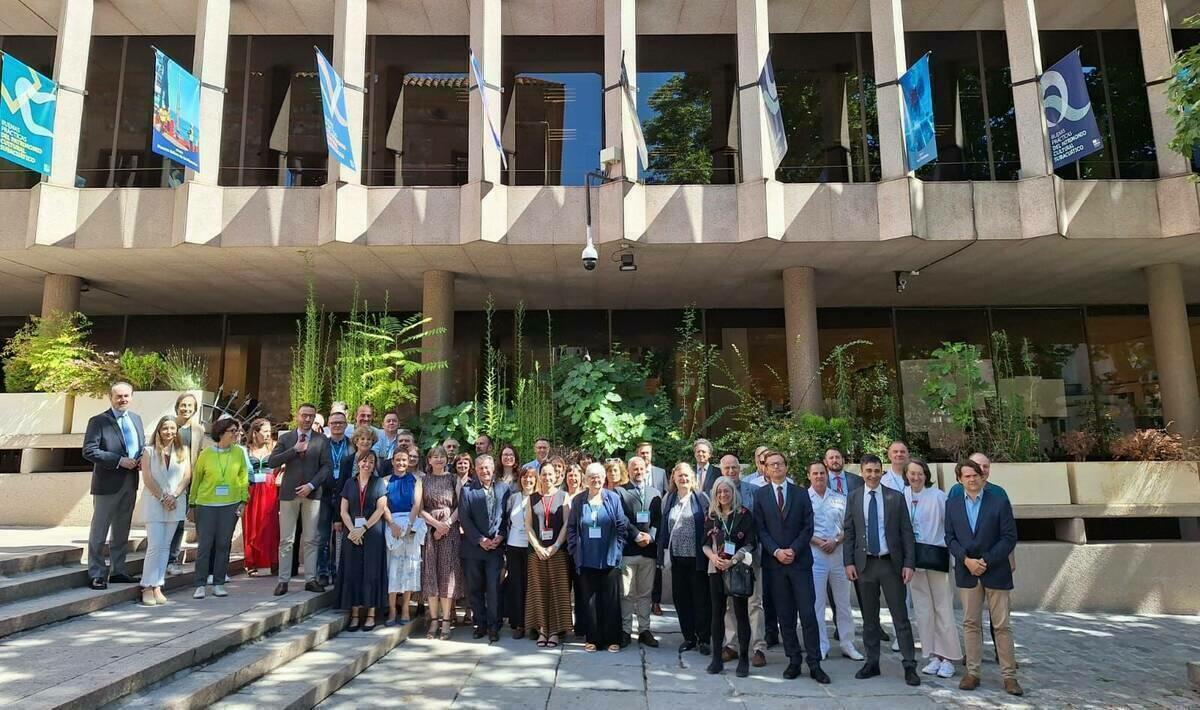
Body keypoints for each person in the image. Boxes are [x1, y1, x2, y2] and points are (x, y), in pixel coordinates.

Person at [945, 459, 1023, 696]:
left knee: (1001, 625)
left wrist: (986, 560)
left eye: (975, 475)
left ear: (982, 476)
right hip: (967, 571)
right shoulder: (952, 504)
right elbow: (950, 537)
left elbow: (1009, 537)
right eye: (966, 476)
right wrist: (966, 560)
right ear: (959, 480)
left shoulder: (998, 502)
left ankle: (1009, 676)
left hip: (995, 570)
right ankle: (973, 673)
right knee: (970, 623)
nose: (972, 479)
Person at [752, 451, 830, 684]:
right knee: (785, 616)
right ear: (765, 469)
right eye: (771, 464)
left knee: (807, 614)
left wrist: (793, 550)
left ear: (786, 467)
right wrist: (776, 551)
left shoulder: (801, 494)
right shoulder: (760, 495)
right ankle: (793, 659)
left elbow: (808, 527)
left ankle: (814, 662)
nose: (776, 467)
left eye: (780, 463)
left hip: (800, 563)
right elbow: (760, 529)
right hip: (774, 565)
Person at [843, 454, 920, 686]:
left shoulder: (895, 497)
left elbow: (906, 532)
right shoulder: (854, 497)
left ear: (882, 472)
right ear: (862, 472)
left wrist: (908, 563)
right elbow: (849, 532)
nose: (873, 475)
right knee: (869, 618)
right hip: (864, 565)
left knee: (900, 617)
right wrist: (848, 562)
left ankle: (909, 665)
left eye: (877, 471)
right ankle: (872, 662)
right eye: (868, 471)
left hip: (891, 564)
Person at [82, 382, 145, 589]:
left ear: (132, 397)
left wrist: (142, 458)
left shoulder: (136, 419)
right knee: (99, 532)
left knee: (121, 531)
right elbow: (89, 450)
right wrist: (118, 460)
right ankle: (97, 573)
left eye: (126, 396)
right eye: (118, 396)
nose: (123, 400)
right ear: (110, 397)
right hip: (108, 483)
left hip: (131, 481)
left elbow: (141, 446)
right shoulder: (98, 421)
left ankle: (119, 571)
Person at [268, 403, 333, 596]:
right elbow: (272, 461)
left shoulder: (322, 440)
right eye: (304, 415)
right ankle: (283, 580)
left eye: (311, 416)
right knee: (286, 539)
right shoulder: (287, 438)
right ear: (297, 416)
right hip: (289, 494)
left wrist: (311, 485)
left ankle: (310, 579)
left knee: (312, 539)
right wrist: (294, 450)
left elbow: (327, 467)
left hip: (312, 494)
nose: (307, 419)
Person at [567, 463, 632, 653]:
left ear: (604, 478)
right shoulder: (579, 500)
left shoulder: (612, 498)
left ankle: (613, 639)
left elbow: (621, 525)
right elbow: (572, 527)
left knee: (611, 599)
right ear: (586, 479)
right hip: (586, 558)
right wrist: (574, 548)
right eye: (591, 476)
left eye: (599, 476)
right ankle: (593, 639)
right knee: (590, 599)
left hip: (609, 557)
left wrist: (618, 549)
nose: (595, 480)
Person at [904, 459, 960, 678]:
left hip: (936, 557)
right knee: (923, 609)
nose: (916, 477)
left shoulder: (938, 497)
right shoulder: (902, 496)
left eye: (920, 473)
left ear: (926, 475)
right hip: (914, 559)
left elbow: (950, 526)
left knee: (942, 607)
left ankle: (949, 658)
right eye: (912, 473)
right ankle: (933, 654)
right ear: (906, 475)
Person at [806, 461, 862, 661]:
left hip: (838, 554)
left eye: (822, 473)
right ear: (809, 475)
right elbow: (801, 527)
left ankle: (848, 643)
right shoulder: (804, 499)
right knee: (817, 603)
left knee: (843, 603)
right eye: (816, 473)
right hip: (815, 555)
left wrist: (836, 541)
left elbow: (850, 526)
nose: (819, 476)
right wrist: (819, 542)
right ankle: (821, 645)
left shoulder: (840, 499)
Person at [716, 455, 768, 668]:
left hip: (750, 555)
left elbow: (761, 524)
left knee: (754, 602)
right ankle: (732, 645)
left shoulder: (753, 492)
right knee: (729, 603)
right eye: (726, 468)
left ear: (740, 469)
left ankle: (758, 648)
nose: (730, 471)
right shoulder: (717, 491)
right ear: (721, 470)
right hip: (725, 559)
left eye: (734, 467)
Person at [703, 476, 757, 677]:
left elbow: (751, 543)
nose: (723, 495)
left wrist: (733, 560)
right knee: (717, 613)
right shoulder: (711, 516)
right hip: (715, 569)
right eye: (719, 492)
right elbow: (704, 543)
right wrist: (714, 558)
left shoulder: (744, 515)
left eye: (727, 491)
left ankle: (743, 659)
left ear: (733, 493)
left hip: (737, 569)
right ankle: (716, 658)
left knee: (741, 614)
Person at [191, 417, 249, 599]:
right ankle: (200, 584)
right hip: (206, 504)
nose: (236, 434)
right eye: (232, 431)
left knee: (224, 544)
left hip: (230, 504)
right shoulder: (206, 454)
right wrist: (192, 503)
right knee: (205, 546)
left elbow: (243, 478)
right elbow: (197, 479)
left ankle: (218, 583)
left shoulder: (239, 452)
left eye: (237, 431)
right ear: (221, 433)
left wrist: (243, 501)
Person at [658, 462, 712, 655]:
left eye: (686, 476)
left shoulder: (701, 498)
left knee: (701, 599)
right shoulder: (668, 499)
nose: (683, 479)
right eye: (679, 476)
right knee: (681, 599)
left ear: (692, 478)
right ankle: (689, 637)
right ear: (674, 478)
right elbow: (664, 528)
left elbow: (711, 524)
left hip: (698, 559)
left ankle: (704, 638)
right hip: (677, 559)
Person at [138, 415, 191, 606]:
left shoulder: (182, 451)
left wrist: (174, 495)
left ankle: (158, 585)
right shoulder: (149, 451)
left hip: (175, 503)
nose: (169, 432)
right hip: (155, 502)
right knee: (155, 545)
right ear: (159, 430)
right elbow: (148, 478)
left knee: (166, 546)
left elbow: (186, 476)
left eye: (172, 429)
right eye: (165, 428)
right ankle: (147, 585)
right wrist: (163, 497)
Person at [459, 454, 510, 642]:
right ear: (476, 470)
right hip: (474, 548)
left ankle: (494, 625)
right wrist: (480, 539)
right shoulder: (467, 491)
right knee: (475, 588)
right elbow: (465, 518)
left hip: (496, 548)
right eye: (480, 468)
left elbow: (506, 516)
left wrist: (501, 536)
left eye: (487, 467)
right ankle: (480, 624)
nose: (484, 471)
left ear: (493, 468)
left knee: (494, 587)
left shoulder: (503, 489)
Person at [337, 451, 389, 631]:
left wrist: (363, 528)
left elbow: (381, 509)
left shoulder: (378, 483)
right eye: (364, 461)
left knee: (371, 572)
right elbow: (343, 510)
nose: (367, 464)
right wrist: (352, 530)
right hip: (351, 534)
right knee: (353, 571)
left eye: (371, 462)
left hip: (372, 532)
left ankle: (371, 615)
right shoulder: (349, 483)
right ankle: (355, 614)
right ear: (358, 463)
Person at [525, 461, 573, 647]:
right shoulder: (532, 498)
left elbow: (566, 524)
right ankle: (542, 629)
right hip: (536, 552)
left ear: (557, 476)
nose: (547, 478)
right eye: (543, 474)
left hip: (558, 551)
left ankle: (554, 630)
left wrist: (555, 546)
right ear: (539, 476)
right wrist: (537, 546)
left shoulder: (564, 496)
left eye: (550, 474)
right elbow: (528, 525)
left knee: (557, 590)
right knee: (538, 590)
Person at [615, 455, 661, 648]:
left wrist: (650, 536)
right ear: (629, 470)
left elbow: (659, 520)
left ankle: (644, 630)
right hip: (628, 549)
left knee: (645, 593)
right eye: (635, 468)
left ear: (646, 469)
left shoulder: (655, 493)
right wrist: (636, 536)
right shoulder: (620, 492)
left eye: (641, 468)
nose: (638, 471)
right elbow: (621, 518)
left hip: (648, 551)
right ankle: (626, 630)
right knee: (626, 593)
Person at [420, 446, 462, 641]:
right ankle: (434, 619)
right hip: (430, 529)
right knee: (431, 573)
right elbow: (420, 508)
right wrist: (436, 525)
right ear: (429, 460)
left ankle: (446, 620)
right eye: (434, 457)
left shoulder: (454, 479)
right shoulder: (423, 480)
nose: (438, 459)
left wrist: (446, 525)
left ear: (447, 460)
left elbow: (461, 505)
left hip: (450, 530)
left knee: (447, 573)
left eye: (441, 456)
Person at [383, 449, 423, 627]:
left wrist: (409, 525)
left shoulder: (416, 480)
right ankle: (392, 609)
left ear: (409, 462)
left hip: (411, 523)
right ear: (392, 461)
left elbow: (417, 504)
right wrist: (392, 524)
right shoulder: (385, 481)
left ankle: (406, 608)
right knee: (393, 566)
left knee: (409, 567)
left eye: (404, 460)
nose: (401, 463)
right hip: (392, 524)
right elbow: (383, 505)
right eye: (398, 460)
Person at [167, 392, 206, 575]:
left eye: (190, 406)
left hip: (188, 481)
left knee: (180, 522)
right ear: (177, 406)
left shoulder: (198, 429)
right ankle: (162, 558)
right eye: (183, 405)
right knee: (166, 521)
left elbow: (198, 455)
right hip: (168, 480)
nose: (186, 409)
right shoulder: (169, 425)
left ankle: (172, 559)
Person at [317, 411, 352, 586]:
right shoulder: (322, 444)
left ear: (346, 425)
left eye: (340, 422)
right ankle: (322, 572)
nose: (337, 425)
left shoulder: (352, 445)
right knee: (323, 534)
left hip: (345, 494)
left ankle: (337, 570)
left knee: (340, 536)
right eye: (334, 423)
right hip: (324, 492)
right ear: (328, 426)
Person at [501, 466, 536, 638]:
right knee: (516, 585)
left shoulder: (539, 498)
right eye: (524, 477)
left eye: (531, 477)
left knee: (532, 585)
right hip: (514, 545)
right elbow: (506, 521)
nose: (527, 480)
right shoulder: (513, 498)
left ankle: (533, 623)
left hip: (533, 547)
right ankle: (518, 623)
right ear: (520, 480)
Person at [243, 418, 280, 577]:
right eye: (264, 431)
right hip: (251, 489)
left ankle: (269, 561)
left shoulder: (274, 448)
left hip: (269, 489)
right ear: (255, 432)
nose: (267, 434)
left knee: (269, 525)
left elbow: (279, 467)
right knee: (251, 524)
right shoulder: (245, 450)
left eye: (269, 431)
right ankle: (252, 562)